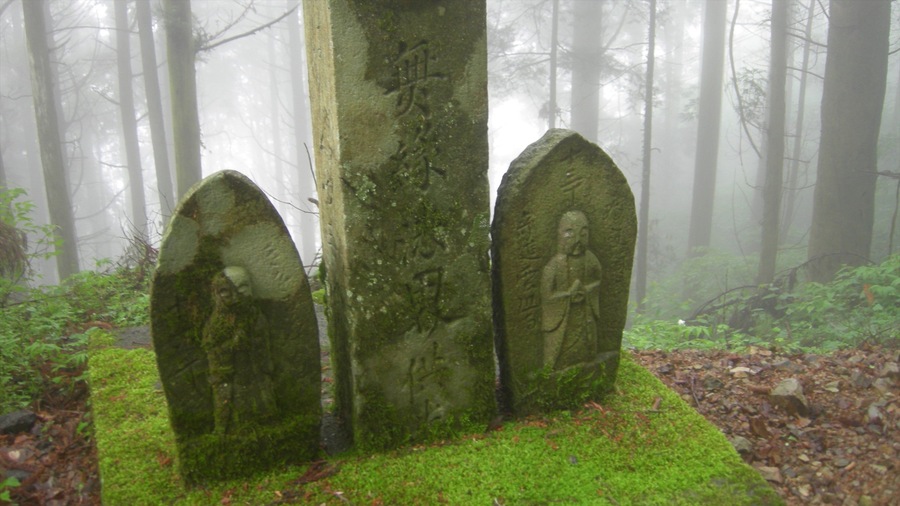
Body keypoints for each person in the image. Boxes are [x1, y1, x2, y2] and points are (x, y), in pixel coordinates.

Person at [202, 266, 277, 435]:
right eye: (226, 292)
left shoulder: (255, 316)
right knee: (231, 404)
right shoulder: (217, 323)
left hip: (255, 371)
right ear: (216, 294)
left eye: (242, 288)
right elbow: (211, 348)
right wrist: (232, 346)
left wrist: (255, 345)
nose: (235, 296)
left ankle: (265, 427)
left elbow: (262, 342)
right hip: (230, 375)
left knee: (261, 402)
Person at [541, 211, 602, 370]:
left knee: (585, 345)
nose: (577, 240)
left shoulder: (590, 259)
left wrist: (586, 291)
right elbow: (547, 295)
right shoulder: (554, 264)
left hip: (585, 314)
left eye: (583, 233)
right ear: (560, 235)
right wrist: (568, 295)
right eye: (570, 233)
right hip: (563, 320)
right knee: (564, 350)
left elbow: (598, 281)